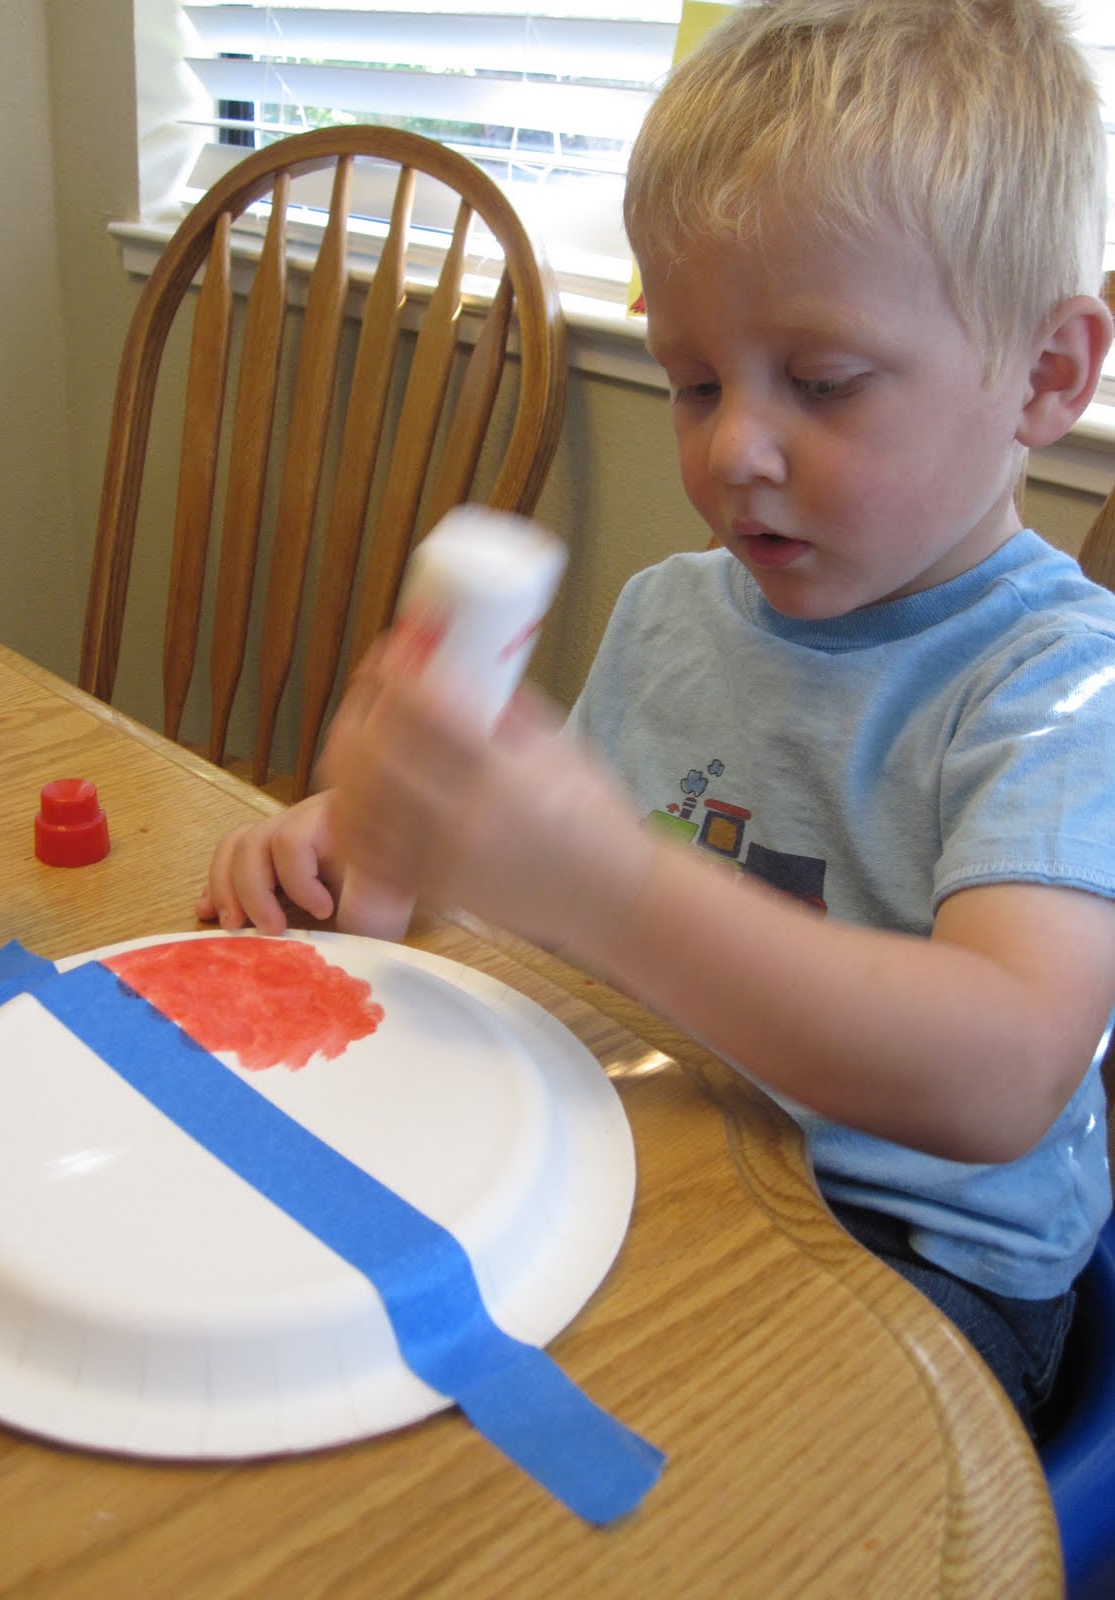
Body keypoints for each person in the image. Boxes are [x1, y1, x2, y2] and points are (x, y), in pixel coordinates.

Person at [200, 0, 1115, 1435]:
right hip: (663, 1152)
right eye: (695, 382)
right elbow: (572, 928)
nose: (732, 447)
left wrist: (599, 879)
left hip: (914, 1273)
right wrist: (407, 853)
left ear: (1049, 376)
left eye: (820, 382)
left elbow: (1001, 1074)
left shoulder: (1060, 683)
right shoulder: (672, 615)